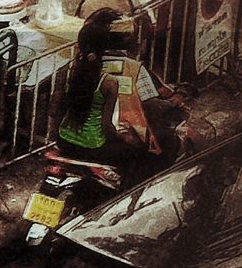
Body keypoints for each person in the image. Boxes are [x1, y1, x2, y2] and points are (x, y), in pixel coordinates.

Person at [56, 9, 172, 180]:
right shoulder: (121, 75)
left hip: (64, 142)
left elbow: (56, 108)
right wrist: (128, 139)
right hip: (96, 146)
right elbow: (110, 128)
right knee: (151, 148)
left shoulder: (69, 70)